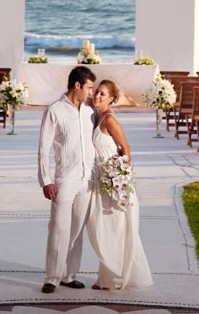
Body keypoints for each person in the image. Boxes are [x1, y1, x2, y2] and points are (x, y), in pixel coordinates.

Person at [87, 79, 153, 290]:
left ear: (112, 99)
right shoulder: (94, 115)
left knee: (114, 228)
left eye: (103, 94)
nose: (97, 96)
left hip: (112, 183)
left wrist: (119, 181)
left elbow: (126, 149)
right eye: (97, 92)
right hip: (100, 180)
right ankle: (107, 277)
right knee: (103, 228)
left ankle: (114, 278)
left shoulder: (109, 119)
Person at [38, 66, 97, 294]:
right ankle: (52, 277)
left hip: (88, 178)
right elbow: (43, 149)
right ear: (77, 85)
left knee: (76, 230)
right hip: (65, 178)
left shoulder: (89, 112)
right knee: (58, 228)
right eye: (89, 87)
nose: (91, 92)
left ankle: (69, 275)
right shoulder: (54, 111)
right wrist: (45, 180)